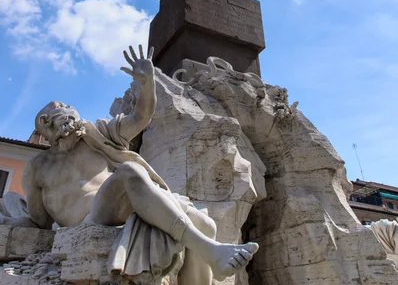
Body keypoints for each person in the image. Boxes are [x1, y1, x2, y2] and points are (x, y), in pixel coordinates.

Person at [2, 45, 258, 284]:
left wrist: (147, 84)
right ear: (46, 128)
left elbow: (141, 117)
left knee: (205, 223)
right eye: (57, 116)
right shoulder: (38, 167)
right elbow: (38, 222)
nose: (67, 116)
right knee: (128, 172)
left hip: (125, 207)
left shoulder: (97, 134)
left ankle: (210, 254)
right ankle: (212, 251)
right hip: (90, 221)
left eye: (68, 109)